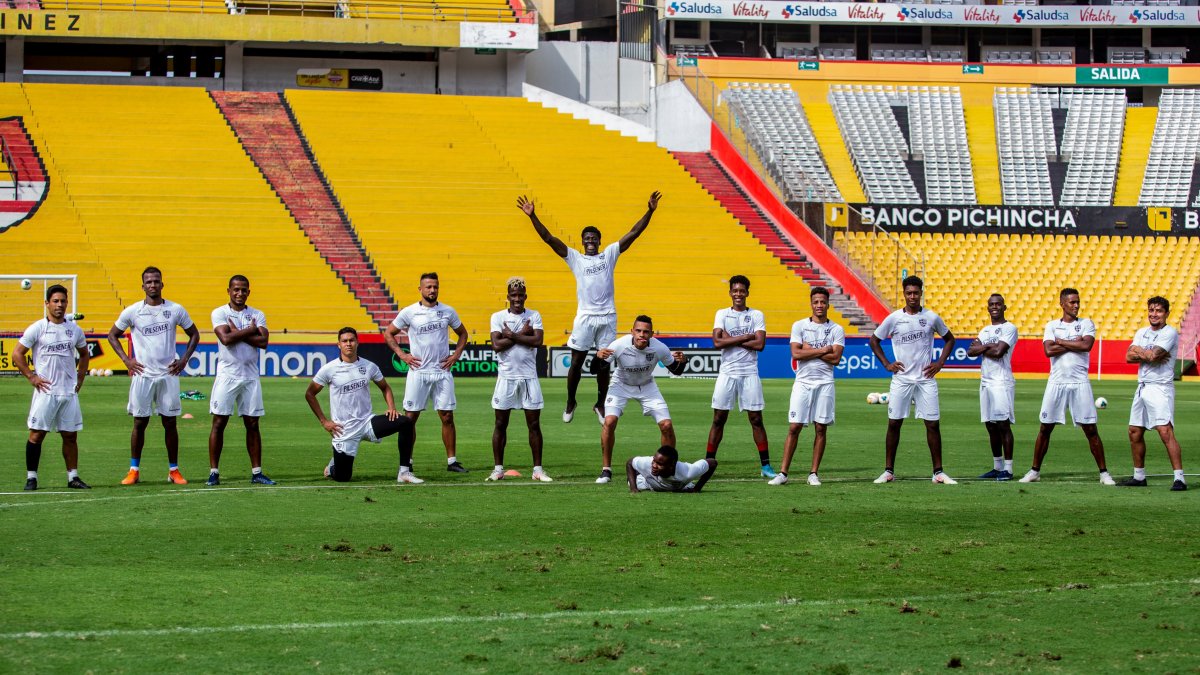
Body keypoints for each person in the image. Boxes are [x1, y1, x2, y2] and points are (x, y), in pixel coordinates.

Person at [517, 191, 662, 425]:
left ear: (599, 241)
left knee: (604, 364)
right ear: (582, 241)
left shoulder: (609, 255)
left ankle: (600, 403)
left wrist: (650, 211)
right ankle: (571, 401)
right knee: (576, 361)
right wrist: (532, 216)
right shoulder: (575, 258)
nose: (591, 241)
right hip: (585, 318)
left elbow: (634, 233)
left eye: (594, 238)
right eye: (587, 238)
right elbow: (549, 238)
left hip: (607, 317)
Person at [108, 266, 201, 485]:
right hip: (143, 375)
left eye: (156, 281)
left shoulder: (175, 309)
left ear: (162, 284)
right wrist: (126, 360)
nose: (152, 285)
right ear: (143, 286)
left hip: (168, 374)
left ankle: (174, 470)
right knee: (140, 423)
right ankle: (134, 470)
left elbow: (194, 334)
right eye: (148, 282)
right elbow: (112, 335)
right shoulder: (133, 311)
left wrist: (184, 359)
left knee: (170, 423)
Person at [869, 276, 958, 485]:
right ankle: (888, 471)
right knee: (894, 423)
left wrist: (940, 363)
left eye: (916, 293)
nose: (912, 296)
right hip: (901, 379)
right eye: (908, 293)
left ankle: (938, 473)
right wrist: (887, 364)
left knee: (933, 424)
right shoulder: (893, 319)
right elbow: (874, 341)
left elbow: (950, 339)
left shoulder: (931, 317)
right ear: (904, 294)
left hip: (926, 379)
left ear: (921, 293)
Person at [1021, 288, 1115, 485]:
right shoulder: (1052, 325)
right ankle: (1034, 471)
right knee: (1045, 428)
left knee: (1090, 429)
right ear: (1062, 304)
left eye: (1077, 302)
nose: (1076, 305)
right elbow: (1048, 350)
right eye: (1072, 302)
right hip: (1056, 382)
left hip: (1080, 383)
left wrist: (1061, 342)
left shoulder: (1086, 323)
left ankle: (1104, 473)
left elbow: (1086, 346)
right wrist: (1074, 342)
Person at [305, 327, 420, 483]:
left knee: (405, 422)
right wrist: (324, 421)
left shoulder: (369, 366)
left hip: (367, 422)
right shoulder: (329, 369)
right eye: (344, 341)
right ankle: (333, 467)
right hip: (344, 429)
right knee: (343, 477)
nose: (348, 344)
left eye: (351, 340)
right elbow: (310, 394)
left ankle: (404, 472)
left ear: (357, 342)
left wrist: (391, 407)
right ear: (339, 344)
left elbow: (385, 387)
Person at [384, 272, 469, 474]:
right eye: (428, 287)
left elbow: (463, 333)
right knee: (409, 419)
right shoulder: (409, 312)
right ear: (420, 289)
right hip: (418, 372)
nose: (432, 290)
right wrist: (402, 355)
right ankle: (407, 461)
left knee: (447, 417)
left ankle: (452, 462)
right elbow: (389, 333)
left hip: (442, 371)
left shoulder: (448, 311)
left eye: (435, 287)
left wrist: (456, 354)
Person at [14, 285, 91, 490]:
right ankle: (32, 478)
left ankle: (73, 477)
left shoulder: (74, 330)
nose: (59, 305)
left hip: (68, 391)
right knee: (36, 435)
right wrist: (32, 377)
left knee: (70, 435)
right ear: (47, 304)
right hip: (45, 392)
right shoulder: (38, 328)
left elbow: (84, 354)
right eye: (55, 301)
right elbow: (17, 354)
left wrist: (80, 378)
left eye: (63, 301)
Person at [595, 315, 687, 484]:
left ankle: (667, 469)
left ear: (651, 334)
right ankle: (606, 470)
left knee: (666, 425)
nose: (641, 335)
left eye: (646, 332)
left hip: (647, 386)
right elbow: (596, 369)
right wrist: (598, 356)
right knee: (609, 421)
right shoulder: (619, 345)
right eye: (638, 331)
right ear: (632, 332)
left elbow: (676, 370)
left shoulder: (660, 348)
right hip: (620, 384)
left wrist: (683, 362)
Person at [770, 286, 845, 487]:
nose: (819, 305)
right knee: (794, 427)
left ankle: (813, 473)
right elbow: (796, 354)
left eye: (822, 302)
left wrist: (809, 349)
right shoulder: (800, 326)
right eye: (816, 302)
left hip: (825, 383)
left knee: (821, 428)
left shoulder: (837, 329)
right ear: (811, 304)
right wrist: (822, 350)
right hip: (803, 382)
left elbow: (836, 359)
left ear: (828, 304)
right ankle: (783, 473)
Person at [205, 275, 273, 487]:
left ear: (248, 292)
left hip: (251, 376)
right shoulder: (220, 312)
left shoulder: (257, 314)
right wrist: (250, 330)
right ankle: (214, 472)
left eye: (244, 290)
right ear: (228, 291)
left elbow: (263, 342)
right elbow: (225, 339)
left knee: (252, 424)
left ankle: (257, 472)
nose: (240, 293)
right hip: (227, 375)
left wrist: (238, 332)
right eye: (236, 289)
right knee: (219, 422)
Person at [707, 275, 775, 477]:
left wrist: (733, 338)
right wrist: (747, 336)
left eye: (742, 291)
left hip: (749, 372)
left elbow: (760, 345)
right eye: (735, 290)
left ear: (747, 293)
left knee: (756, 419)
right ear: (730, 293)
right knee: (719, 418)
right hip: (727, 372)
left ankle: (766, 466)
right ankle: (708, 463)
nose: (738, 294)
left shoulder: (756, 315)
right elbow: (717, 343)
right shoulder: (722, 314)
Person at [488, 277, 552, 482]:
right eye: (513, 295)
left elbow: (538, 341)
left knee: (534, 425)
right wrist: (522, 334)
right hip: (506, 377)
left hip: (529, 377)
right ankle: (498, 469)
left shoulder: (534, 315)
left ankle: (538, 470)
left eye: (520, 295)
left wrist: (512, 335)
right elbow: (496, 345)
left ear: (525, 296)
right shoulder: (497, 316)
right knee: (500, 424)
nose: (517, 299)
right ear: (508, 297)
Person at [1120, 296, 1186, 491]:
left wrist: (1141, 351)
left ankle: (1179, 478)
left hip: (1160, 388)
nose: (1153, 314)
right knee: (1134, 431)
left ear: (1166, 313)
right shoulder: (1142, 332)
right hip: (1142, 386)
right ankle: (1139, 476)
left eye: (1158, 311)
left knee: (1165, 431)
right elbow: (1128, 356)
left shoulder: (1170, 333)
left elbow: (1153, 355)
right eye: (1151, 310)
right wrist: (1145, 353)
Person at [967, 294, 1018, 481]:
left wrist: (984, 347)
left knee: (1003, 424)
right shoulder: (985, 330)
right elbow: (971, 352)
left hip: (1001, 381)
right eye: (991, 304)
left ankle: (1009, 469)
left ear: (1004, 307)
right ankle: (997, 467)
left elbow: (999, 352)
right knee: (990, 425)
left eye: (998, 304)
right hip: (986, 381)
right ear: (987, 308)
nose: (994, 307)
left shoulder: (1009, 328)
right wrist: (989, 345)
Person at [626, 445, 718, 493]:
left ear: (672, 465)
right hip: (646, 483)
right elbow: (630, 462)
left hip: (680, 485)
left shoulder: (688, 472)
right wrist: (633, 488)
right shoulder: (646, 463)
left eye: (659, 464)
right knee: (630, 481)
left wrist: (697, 488)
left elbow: (713, 462)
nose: (654, 465)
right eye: (654, 461)